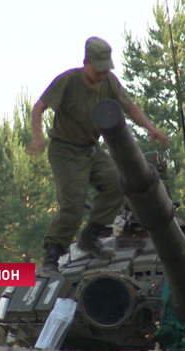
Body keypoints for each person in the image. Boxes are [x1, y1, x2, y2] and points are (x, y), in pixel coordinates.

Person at [27, 37, 168, 270]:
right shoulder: (69, 81)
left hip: (91, 149)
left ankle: (89, 238)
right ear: (86, 62)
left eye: (106, 69)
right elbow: (39, 107)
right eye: (98, 69)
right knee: (73, 205)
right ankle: (52, 256)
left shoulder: (109, 83)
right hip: (65, 150)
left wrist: (151, 128)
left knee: (118, 184)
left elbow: (129, 106)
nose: (102, 74)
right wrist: (37, 137)